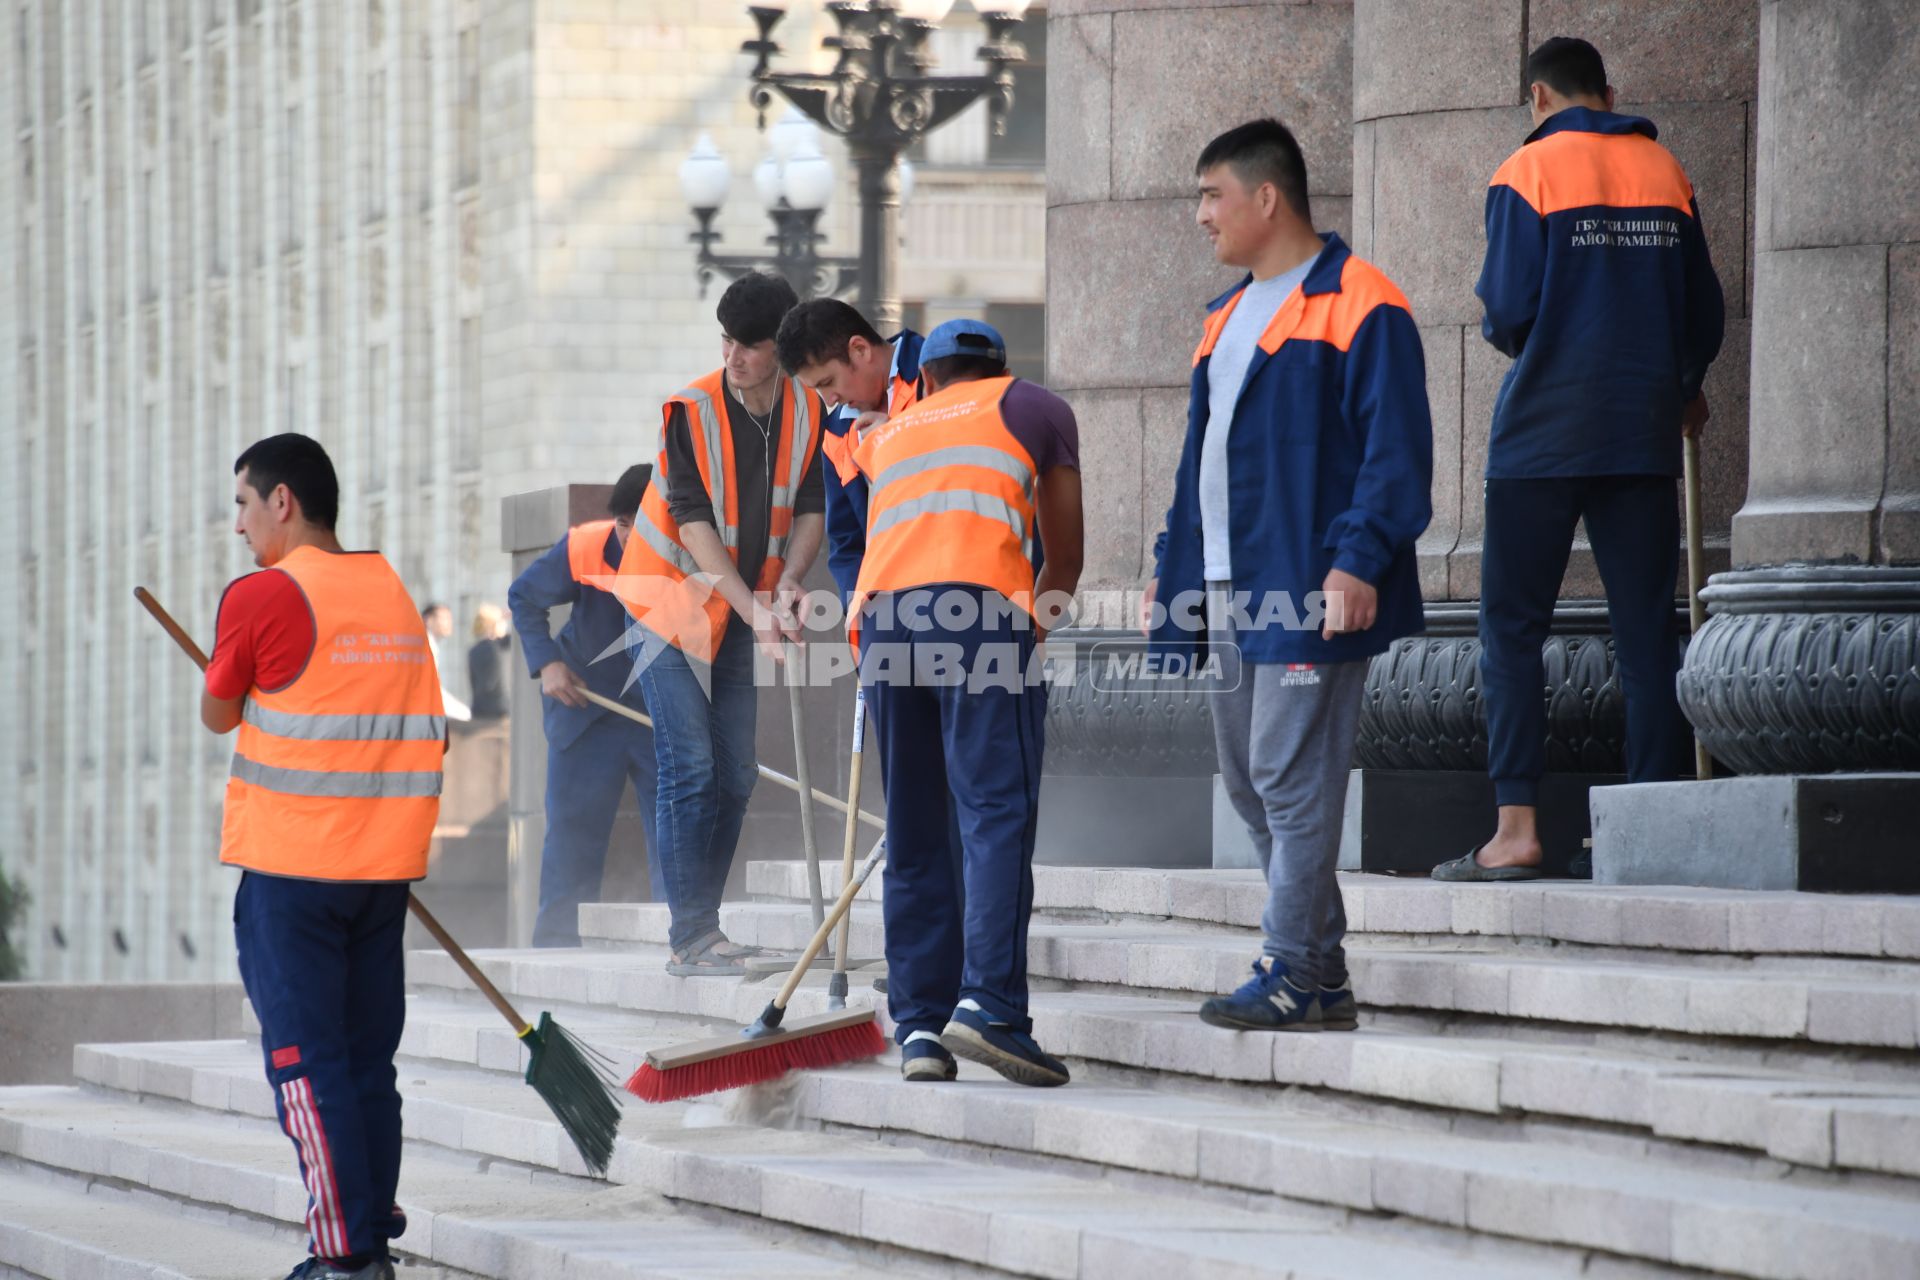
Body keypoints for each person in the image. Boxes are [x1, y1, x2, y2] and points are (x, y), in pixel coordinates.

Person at [1144, 119, 1433, 1031]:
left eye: (1210, 195)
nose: (1201, 216)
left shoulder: (1361, 301)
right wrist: (1173, 573)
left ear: (1266, 198)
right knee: (1250, 783)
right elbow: (1199, 466)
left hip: (1311, 583)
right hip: (1231, 587)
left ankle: (1289, 968)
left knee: (1288, 774)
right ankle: (1324, 968)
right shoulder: (1224, 319)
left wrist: (1358, 558)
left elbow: (1398, 452)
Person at [1435, 37, 1724, 882]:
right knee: (1646, 631)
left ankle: (1518, 830)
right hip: (1641, 429)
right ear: (1607, 92)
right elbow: (1701, 311)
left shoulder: (1524, 173)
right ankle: (1650, 824)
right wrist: (1684, 381)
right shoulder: (1665, 171)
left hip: (1542, 433)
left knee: (1513, 630)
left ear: (1539, 98)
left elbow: (1507, 311)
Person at [200, 433, 444, 1280]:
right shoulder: (390, 590)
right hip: (380, 873)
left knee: (305, 1065)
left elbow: (219, 712)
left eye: (242, 502)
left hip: (294, 871)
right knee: (367, 1059)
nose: (237, 525)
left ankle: (344, 1257)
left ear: (282, 502)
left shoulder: (264, 593)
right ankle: (370, 1222)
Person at [849, 318, 1083, 1086]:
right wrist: (1037, 624)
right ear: (997, 368)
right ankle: (991, 1009)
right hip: (978, 614)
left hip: (884, 625)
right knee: (994, 815)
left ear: (932, 377)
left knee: (916, 831)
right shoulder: (1033, 408)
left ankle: (919, 1027)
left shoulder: (891, 430)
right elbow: (1065, 547)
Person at [614, 271, 826, 976]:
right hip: (667, 596)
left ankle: (703, 926)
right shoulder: (690, 410)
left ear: (782, 349)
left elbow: (810, 510)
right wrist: (754, 611)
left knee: (736, 774)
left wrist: (790, 581)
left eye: (751, 346)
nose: (734, 357)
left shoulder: (807, 408)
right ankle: (692, 935)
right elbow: (693, 521)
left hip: (745, 601)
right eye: (727, 342)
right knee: (693, 765)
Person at [508, 465, 665, 947]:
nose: (628, 535)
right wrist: (547, 664)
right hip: (584, 711)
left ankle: (681, 937)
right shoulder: (584, 546)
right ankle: (555, 947)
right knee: (572, 836)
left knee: (674, 836)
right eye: (622, 523)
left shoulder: (689, 552)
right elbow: (523, 598)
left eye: (641, 524)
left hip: (659, 716)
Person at [773, 298, 925, 604]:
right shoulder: (836, 433)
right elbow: (846, 543)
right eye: (817, 388)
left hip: (973, 590)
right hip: (890, 615)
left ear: (860, 349)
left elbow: (986, 451)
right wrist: (862, 617)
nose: (829, 399)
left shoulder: (942, 369)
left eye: (828, 382)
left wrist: (902, 438)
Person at [421, 602, 471, 722]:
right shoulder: (425, 644)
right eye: (444, 618)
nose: (449, 623)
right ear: (428, 620)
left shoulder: (429, 643)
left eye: (449, 618)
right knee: (464, 714)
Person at [465, 603, 511, 721]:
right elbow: (489, 684)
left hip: (479, 710)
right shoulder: (492, 648)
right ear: (493, 625)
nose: (505, 626)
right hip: (496, 714)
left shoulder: (475, 650)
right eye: (502, 622)